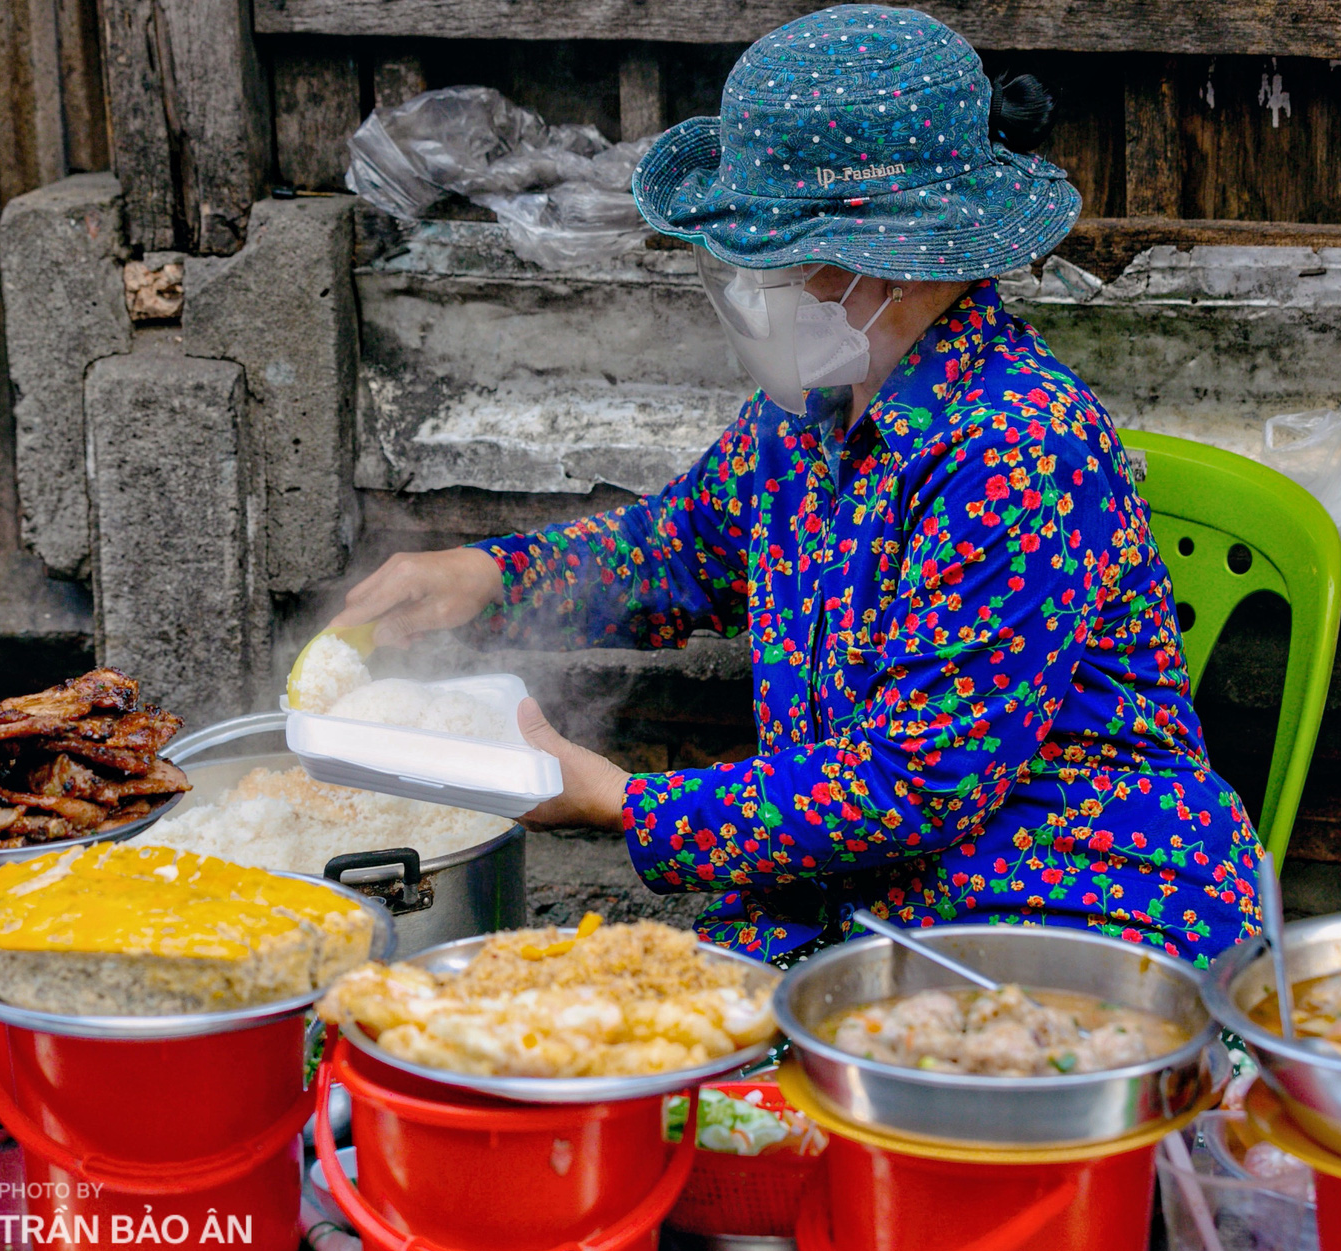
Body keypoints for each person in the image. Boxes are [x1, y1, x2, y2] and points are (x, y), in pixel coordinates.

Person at [332, 5, 1264, 967]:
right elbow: (676, 550)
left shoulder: (1018, 447)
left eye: (777, 257)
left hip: (1069, 904)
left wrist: (618, 801)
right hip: (854, 897)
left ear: (894, 258)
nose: (752, 285)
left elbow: (913, 783)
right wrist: (491, 575)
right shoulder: (808, 410)